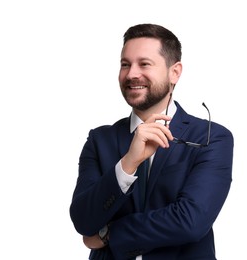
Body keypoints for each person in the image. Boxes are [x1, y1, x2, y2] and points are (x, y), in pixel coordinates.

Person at [69, 23, 234, 260]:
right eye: (125, 64)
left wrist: (109, 234)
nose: (132, 74)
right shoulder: (99, 139)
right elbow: (83, 220)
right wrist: (127, 164)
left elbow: (190, 221)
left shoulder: (211, 137)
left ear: (174, 72)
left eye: (144, 64)